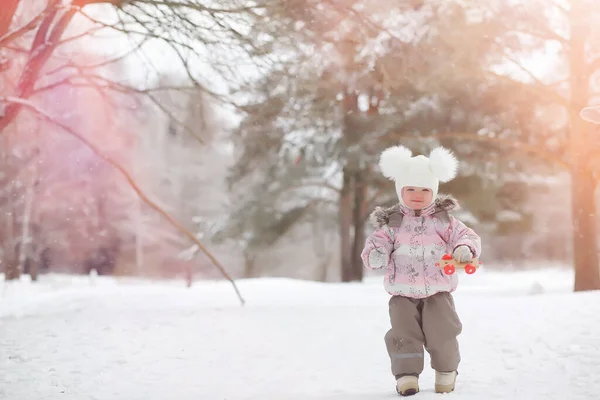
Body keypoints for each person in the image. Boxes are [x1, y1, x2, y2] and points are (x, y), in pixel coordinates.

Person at [361, 145, 481, 396]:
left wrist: (464, 249)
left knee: (443, 333)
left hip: (437, 291)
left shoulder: (443, 220)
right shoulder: (393, 222)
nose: (418, 194)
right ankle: (406, 376)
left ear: (434, 191)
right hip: (402, 293)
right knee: (404, 335)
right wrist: (377, 254)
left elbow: (466, 235)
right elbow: (376, 243)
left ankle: (446, 372)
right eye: (411, 189)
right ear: (401, 190)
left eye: (425, 189)